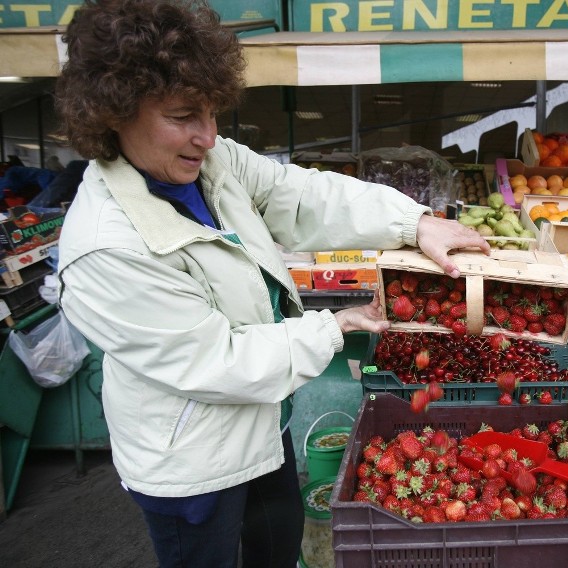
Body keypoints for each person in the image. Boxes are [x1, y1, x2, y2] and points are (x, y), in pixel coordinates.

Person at [53, 1, 489, 567]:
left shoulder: (213, 165)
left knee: (276, 549)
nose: (207, 136)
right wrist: (331, 328)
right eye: (184, 116)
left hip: (263, 420)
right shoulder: (105, 247)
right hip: (190, 460)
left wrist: (414, 222)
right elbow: (215, 361)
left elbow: (300, 194)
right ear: (113, 112)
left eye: (212, 114)